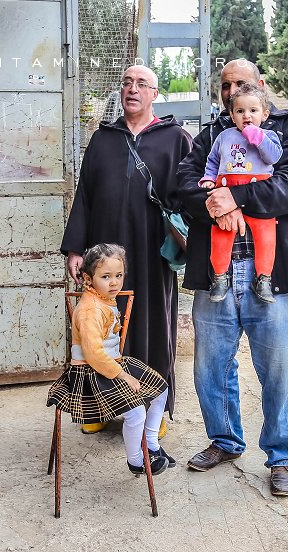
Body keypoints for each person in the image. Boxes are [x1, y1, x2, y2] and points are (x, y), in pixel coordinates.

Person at [176, 59, 288, 497]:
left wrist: (234, 197)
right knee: (211, 367)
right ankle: (225, 441)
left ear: (260, 87)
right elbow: (183, 186)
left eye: (241, 83)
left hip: (272, 274)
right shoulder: (212, 136)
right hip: (216, 271)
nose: (232, 91)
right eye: (226, 86)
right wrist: (216, 206)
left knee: (278, 370)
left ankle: (281, 456)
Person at [61, 64, 191, 432]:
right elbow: (84, 195)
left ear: (154, 94)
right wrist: (76, 250)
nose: (132, 89)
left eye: (142, 84)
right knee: (97, 330)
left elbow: (191, 194)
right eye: (127, 83)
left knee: (153, 327)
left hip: (152, 254)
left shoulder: (176, 139)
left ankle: (152, 410)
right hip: (103, 257)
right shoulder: (103, 139)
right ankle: (98, 408)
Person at [47, 243, 173, 474]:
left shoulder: (105, 299)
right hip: (90, 373)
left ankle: (151, 443)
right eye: (106, 277)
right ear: (88, 278)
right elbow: (94, 354)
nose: (114, 282)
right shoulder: (90, 310)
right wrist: (124, 376)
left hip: (111, 364)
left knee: (161, 388)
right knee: (136, 411)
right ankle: (136, 460)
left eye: (119, 275)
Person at [199, 83, 282, 304]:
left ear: (264, 114)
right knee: (221, 236)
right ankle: (220, 277)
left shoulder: (269, 135)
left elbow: (273, 157)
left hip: (258, 194)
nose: (247, 116)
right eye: (240, 111)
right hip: (225, 187)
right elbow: (213, 160)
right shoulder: (224, 137)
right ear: (232, 115)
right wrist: (208, 178)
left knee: (266, 237)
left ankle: (264, 279)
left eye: (253, 110)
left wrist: (259, 139)